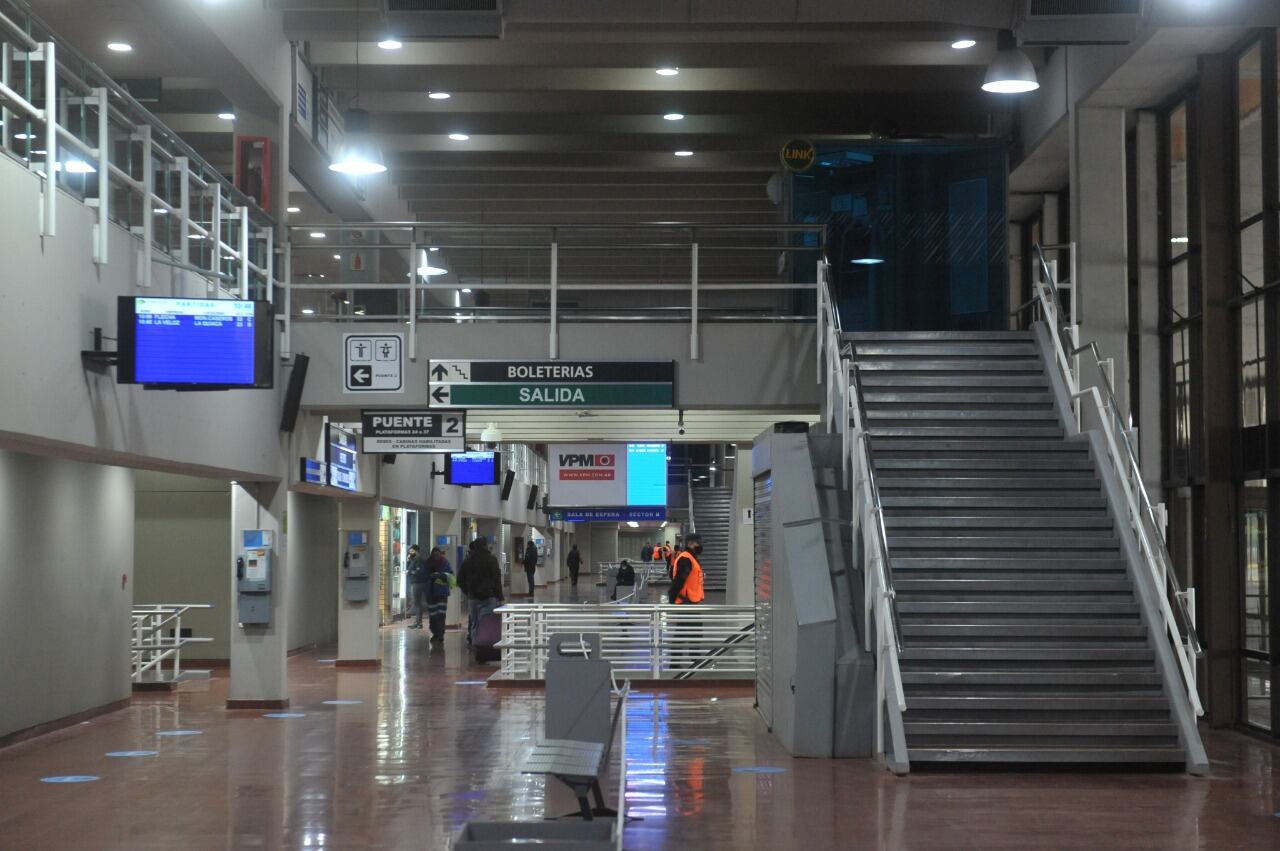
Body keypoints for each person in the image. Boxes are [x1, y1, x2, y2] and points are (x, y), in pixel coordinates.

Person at [457, 537, 503, 645]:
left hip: (473, 597)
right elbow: (497, 579)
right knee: (486, 622)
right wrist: (499, 596)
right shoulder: (492, 559)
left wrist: (467, 591)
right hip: (489, 596)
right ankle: (484, 645)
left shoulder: (468, 560)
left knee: (474, 623)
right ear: (485, 545)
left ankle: (475, 644)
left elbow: (460, 579)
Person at [424, 547, 454, 642]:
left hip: (441, 593)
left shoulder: (445, 563)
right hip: (431, 593)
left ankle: (440, 634)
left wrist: (440, 575)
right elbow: (423, 576)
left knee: (441, 614)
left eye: (438, 554)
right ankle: (435, 633)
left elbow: (450, 575)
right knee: (433, 615)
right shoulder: (427, 563)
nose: (436, 556)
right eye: (435, 554)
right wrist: (430, 576)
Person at [669, 534, 705, 605]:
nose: (700, 546)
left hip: (691, 600)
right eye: (698, 543)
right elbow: (679, 580)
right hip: (685, 602)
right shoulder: (686, 559)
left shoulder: (691, 557)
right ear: (690, 544)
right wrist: (672, 599)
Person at [405, 544, 430, 629]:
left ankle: (418, 623)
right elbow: (410, 568)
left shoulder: (418, 559)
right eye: (409, 551)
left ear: (416, 551)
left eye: (412, 551)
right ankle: (417, 621)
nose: (410, 553)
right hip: (415, 583)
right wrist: (409, 560)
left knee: (417, 603)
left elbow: (419, 571)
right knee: (416, 603)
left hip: (417, 583)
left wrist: (410, 572)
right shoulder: (414, 559)